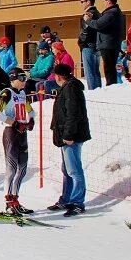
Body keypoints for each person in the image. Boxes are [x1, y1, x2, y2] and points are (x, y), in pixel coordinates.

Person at [48, 63, 91, 217]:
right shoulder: (67, 87)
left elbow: (73, 113)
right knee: (66, 170)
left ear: (59, 76)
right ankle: (66, 199)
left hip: (72, 136)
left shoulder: (71, 89)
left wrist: (69, 135)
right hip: (64, 135)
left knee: (74, 170)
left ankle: (77, 202)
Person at [0, 68, 36, 215]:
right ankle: (8, 201)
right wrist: (14, 123)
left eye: (25, 78)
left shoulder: (23, 94)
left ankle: (15, 199)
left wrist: (31, 120)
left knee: (22, 169)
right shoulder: (6, 93)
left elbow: (30, 110)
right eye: (22, 78)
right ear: (14, 78)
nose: (24, 81)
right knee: (11, 169)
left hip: (22, 133)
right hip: (11, 133)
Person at [84, 0, 124, 87]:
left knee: (108, 68)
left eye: (105, 1)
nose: (104, 3)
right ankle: (111, 85)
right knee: (110, 67)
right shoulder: (116, 12)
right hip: (111, 43)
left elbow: (98, 24)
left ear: (109, 0)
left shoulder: (111, 12)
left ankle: (111, 86)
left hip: (108, 44)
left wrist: (88, 20)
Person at [77, 0, 102, 89]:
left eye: (82, 1)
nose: (81, 4)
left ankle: (92, 91)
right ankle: (98, 90)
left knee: (89, 72)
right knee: (96, 71)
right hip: (96, 45)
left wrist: (81, 42)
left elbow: (86, 31)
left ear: (88, 2)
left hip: (88, 45)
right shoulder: (98, 13)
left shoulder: (89, 13)